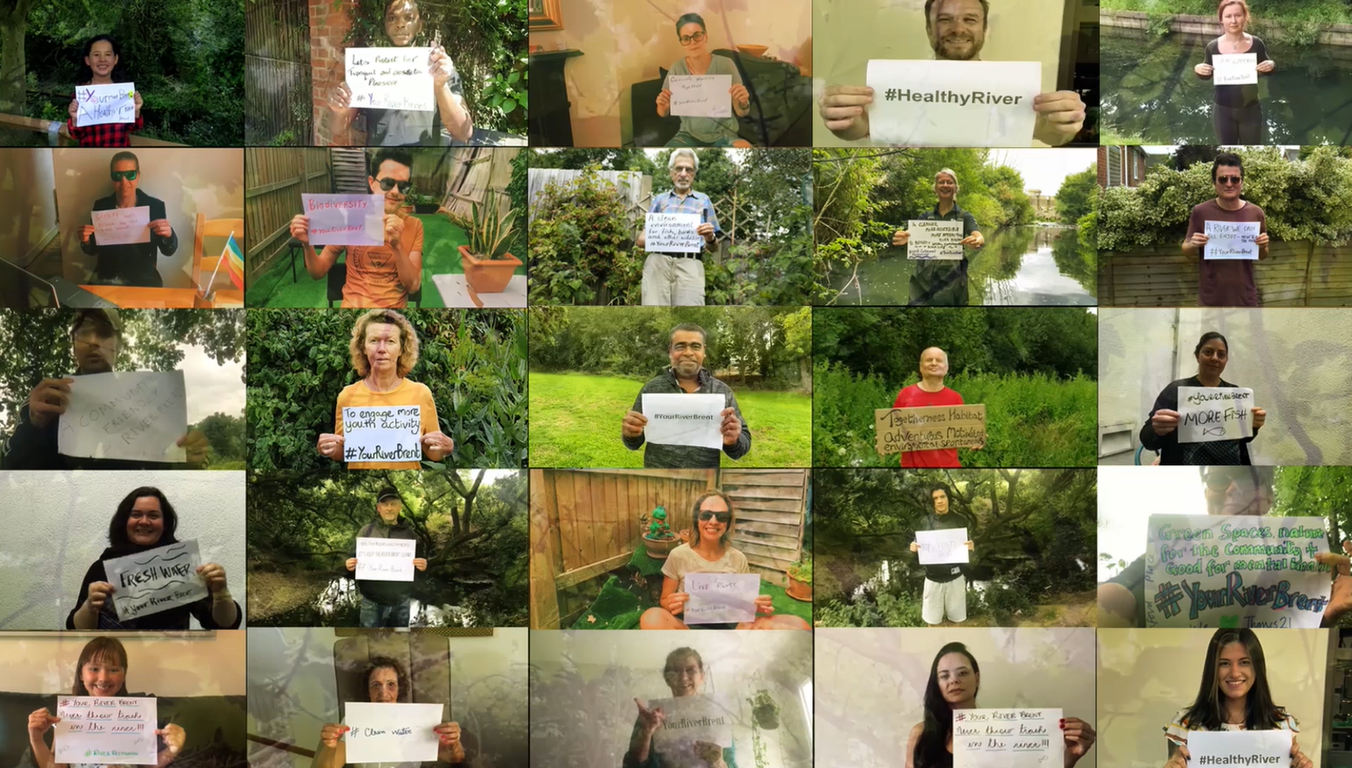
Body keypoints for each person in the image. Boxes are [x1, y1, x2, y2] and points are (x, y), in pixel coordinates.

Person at [1097, 465, 1352, 628]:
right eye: (1218, 478)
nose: (1231, 488)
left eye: (1247, 479)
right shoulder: (1161, 559)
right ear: (1206, 492)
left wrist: (1325, 618)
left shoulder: (1306, 568)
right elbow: (1113, 596)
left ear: (1269, 498)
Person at [818, 0, 1086, 147]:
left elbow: (1049, 134)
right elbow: (860, 129)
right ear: (928, 29)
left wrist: (1065, 124)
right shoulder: (895, 83)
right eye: (944, 20)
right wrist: (845, 121)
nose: (958, 29)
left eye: (970, 19)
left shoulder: (1017, 87)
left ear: (984, 30)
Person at [1, 309, 209, 470]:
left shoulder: (150, 406)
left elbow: (158, 474)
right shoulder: (45, 401)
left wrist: (185, 460)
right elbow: (12, 471)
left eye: (104, 334)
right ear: (73, 344)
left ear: (119, 345)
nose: (93, 342)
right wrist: (34, 425)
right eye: (83, 333)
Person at [68, 486, 241, 630]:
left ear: (165, 524)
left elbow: (225, 625)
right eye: (136, 514)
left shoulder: (180, 567)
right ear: (124, 521)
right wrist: (89, 607)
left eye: (153, 515)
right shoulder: (102, 567)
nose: (144, 521)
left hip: (169, 661)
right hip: (115, 659)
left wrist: (221, 593)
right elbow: (77, 630)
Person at [905, 642, 1095, 768]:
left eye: (962, 673)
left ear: (977, 678)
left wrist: (1071, 756)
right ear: (936, 684)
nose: (954, 681)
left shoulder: (1005, 730)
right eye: (944, 676)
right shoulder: (921, 734)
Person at [639, 491, 810, 631]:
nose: (713, 521)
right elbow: (664, 601)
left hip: (731, 630)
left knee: (797, 628)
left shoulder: (738, 558)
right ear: (696, 519)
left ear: (728, 523)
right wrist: (673, 604)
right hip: (689, 629)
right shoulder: (678, 555)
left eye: (721, 517)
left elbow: (745, 604)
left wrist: (755, 606)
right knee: (652, 617)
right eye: (706, 515)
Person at [315, 309, 453, 470]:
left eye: (390, 341)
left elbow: (433, 453)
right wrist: (328, 448)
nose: (381, 349)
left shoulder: (420, 393)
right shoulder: (348, 395)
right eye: (374, 340)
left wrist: (446, 447)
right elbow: (344, 450)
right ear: (363, 347)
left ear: (402, 349)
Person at [289, 149, 425, 308]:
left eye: (403, 186)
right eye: (387, 183)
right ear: (371, 183)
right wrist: (307, 244)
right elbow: (317, 272)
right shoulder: (350, 219)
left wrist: (397, 245)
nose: (395, 192)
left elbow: (413, 286)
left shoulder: (414, 225)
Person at [24, 637, 187, 768]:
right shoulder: (69, 716)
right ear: (81, 674)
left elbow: (147, 766)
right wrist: (36, 740)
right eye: (94, 669)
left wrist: (171, 751)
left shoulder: (138, 716)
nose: (103, 678)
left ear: (123, 675)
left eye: (114, 670)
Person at [328, 0, 472, 146]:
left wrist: (441, 86)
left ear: (419, 25)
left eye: (409, 18)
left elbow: (463, 132)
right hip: (379, 162)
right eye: (392, 18)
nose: (400, 24)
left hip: (424, 162)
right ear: (385, 25)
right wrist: (339, 111)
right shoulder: (366, 67)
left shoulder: (439, 67)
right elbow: (338, 128)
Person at [1161, 629, 1311, 768]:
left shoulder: (1281, 724)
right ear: (1213, 669)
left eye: (1244, 662)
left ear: (1257, 667)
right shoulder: (1186, 724)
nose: (1234, 673)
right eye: (1224, 663)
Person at [621, 323, 750, 468]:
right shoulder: (651, 389)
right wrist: (630, 434)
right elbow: (633, 444)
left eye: (695, 346)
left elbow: (742, 446)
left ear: (704, 351)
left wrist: (734, 440)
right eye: (680, 346)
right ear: (670, 351)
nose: (688, 352)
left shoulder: (721, 391)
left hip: (705, 481)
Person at [1140, 332, 1267, 465]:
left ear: (1226, 360)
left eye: (1221, 354)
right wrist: (1157, 430)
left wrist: (1252, 426)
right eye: (1208, 352)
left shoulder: (1235, 393)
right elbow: (1147, 439)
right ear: (1197, 356)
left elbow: (1244, 439)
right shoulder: (1175, 390)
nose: (1215, 358)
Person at [315, 656, 468, 767]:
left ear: (399, 689)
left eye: (391, 684)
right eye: (376, 685)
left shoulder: (419, 719)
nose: (383, 693)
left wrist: (453, 743)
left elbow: (455, 757)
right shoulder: (353, 720)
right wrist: (330, 746)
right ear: (368, 691)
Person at [634, 149, 723, 306]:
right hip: (658, 263)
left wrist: (710, 237)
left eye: (688, 169)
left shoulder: (704, 200)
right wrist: (651, 238)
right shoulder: (659, 200)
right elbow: (641, 240)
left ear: (694, 173)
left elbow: (714, 247)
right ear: (671, 173)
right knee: (653, 315)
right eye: (678, 169)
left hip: (690, 263)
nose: (683, 174)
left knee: (689, 314)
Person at [1182, 152, 1269, 307]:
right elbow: (1186, 250)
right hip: (1211, 300)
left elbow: (1262, 255)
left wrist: (1263, 246)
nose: (1229, 184)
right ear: (1214, 182)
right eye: (1223, 179)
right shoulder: (1200, 211)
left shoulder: (1256, 213)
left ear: (1242, 181)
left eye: (1234, 179)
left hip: (1245, 298)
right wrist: (1193, 244)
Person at [627, 647, 737, 768]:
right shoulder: (651, 716)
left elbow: (731, 763)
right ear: (667, 678)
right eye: (675, 671)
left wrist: (718, 762)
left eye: (690, 670)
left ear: (702, 676)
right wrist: (646, 734)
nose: (683, 677)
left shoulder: (718, 713)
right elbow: (633, 764)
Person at [79, 152, 178, 286]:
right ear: (112, 178)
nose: (124, 181)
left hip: (143, 275)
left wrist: (168, 235)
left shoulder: (154, 206)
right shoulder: (101, 206)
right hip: (106, 276)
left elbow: (168, 251)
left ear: (138, 175)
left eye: (130, 174)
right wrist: (85, 241)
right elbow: (92, 250)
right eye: (117, 176)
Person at [655, 13, 752, 148]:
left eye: (697, 35)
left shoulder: (726, 65)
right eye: (686, 38)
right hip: (687, 135)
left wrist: (743, 102)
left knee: (746, 148)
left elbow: (742, 112)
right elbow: (662, 113)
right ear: (681, 42)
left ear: (705, 36)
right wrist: (663, 106)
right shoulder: (677, 68)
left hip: (724, 134)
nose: (693, 42)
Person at [890, 169, 985, 306]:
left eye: (949, 182)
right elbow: (909, 232)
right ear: (935, 188)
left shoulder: (965, 216)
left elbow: (978, 235)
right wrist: (904, 237)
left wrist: (976, 241)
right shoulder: (925, 216)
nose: (945, 185)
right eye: (941, 182)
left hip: (952, 279)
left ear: (955, 188)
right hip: (923, 278)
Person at [344, 486, 427, 628]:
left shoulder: (411, 535)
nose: (389, 508)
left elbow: (418, 569)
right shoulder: (366, 531)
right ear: (379, 508)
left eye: (393, 504)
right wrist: (349, 566)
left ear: (399, 507)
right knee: (368, 642)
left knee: (398, 643)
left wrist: (424, 567)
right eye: (385, 504)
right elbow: (353, 562)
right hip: (371, 600)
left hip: (401, 600)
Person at [1193, 0, 1274, 145]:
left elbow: (1267, 69)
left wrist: (1271, 65)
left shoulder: (1257, 43)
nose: (1233, 20)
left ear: (1245, 17)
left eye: (1238, 15)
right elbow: (1206, 75)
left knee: (1252, 148)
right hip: (1222, 110)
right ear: (1221, 20)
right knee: (1226, 149)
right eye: (1228, 16)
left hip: (1251, 110)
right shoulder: (1212, 47)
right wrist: (1198, 69)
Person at [890, 347, 980, 468]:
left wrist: (977, 437)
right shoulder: (905, 395)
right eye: (929, 360)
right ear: (921, 367)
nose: (933, 363)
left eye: (938, 360)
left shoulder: (955, 398)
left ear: (946, 368)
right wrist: (885, 441)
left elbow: (965, 432)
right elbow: (892, 429)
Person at [907, 485, 975, 626]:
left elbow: (967, 549)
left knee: (957, 621)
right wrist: (913, 549)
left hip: (956, 578)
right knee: (932, 623)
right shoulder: (925, 522)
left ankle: (953, 646)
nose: (939, 501)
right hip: (932, 579)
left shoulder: (960, 520)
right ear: (932, 502)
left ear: (948, 498)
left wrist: (972, 547)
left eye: (942, 497)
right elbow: (917, 554)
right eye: (935, 498)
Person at [64, 35, 144, 147]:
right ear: (87, 60)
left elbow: (134, 128)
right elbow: (75, 134)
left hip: (118, 156)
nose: (102, 59)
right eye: (96, 55)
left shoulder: (124, 93)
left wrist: (135, 111)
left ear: (115, 59)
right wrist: (75, 118)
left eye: (108, 54)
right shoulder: (80, 94)